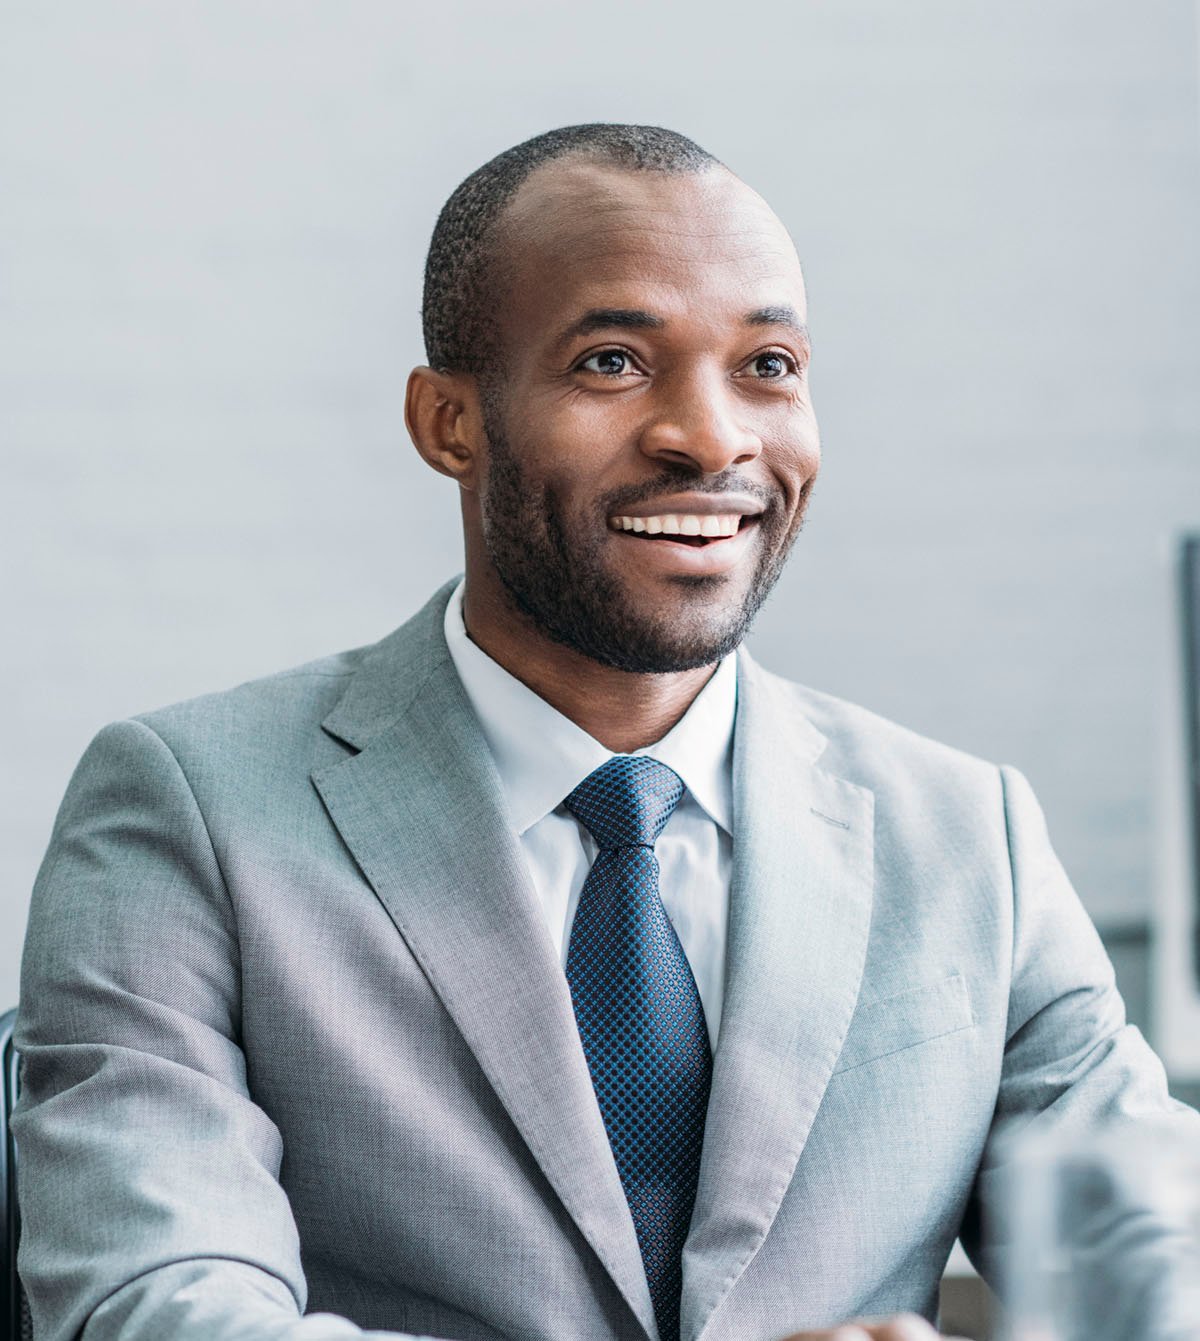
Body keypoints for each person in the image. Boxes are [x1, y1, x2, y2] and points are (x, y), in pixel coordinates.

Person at [13, 123, 1199, 1341]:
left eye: (769, 365)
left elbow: (1156, 1274)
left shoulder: (968, 836)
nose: (712, 437)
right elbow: (156, 1307)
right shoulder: (186, 812)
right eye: (616, 362)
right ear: (449, 424)